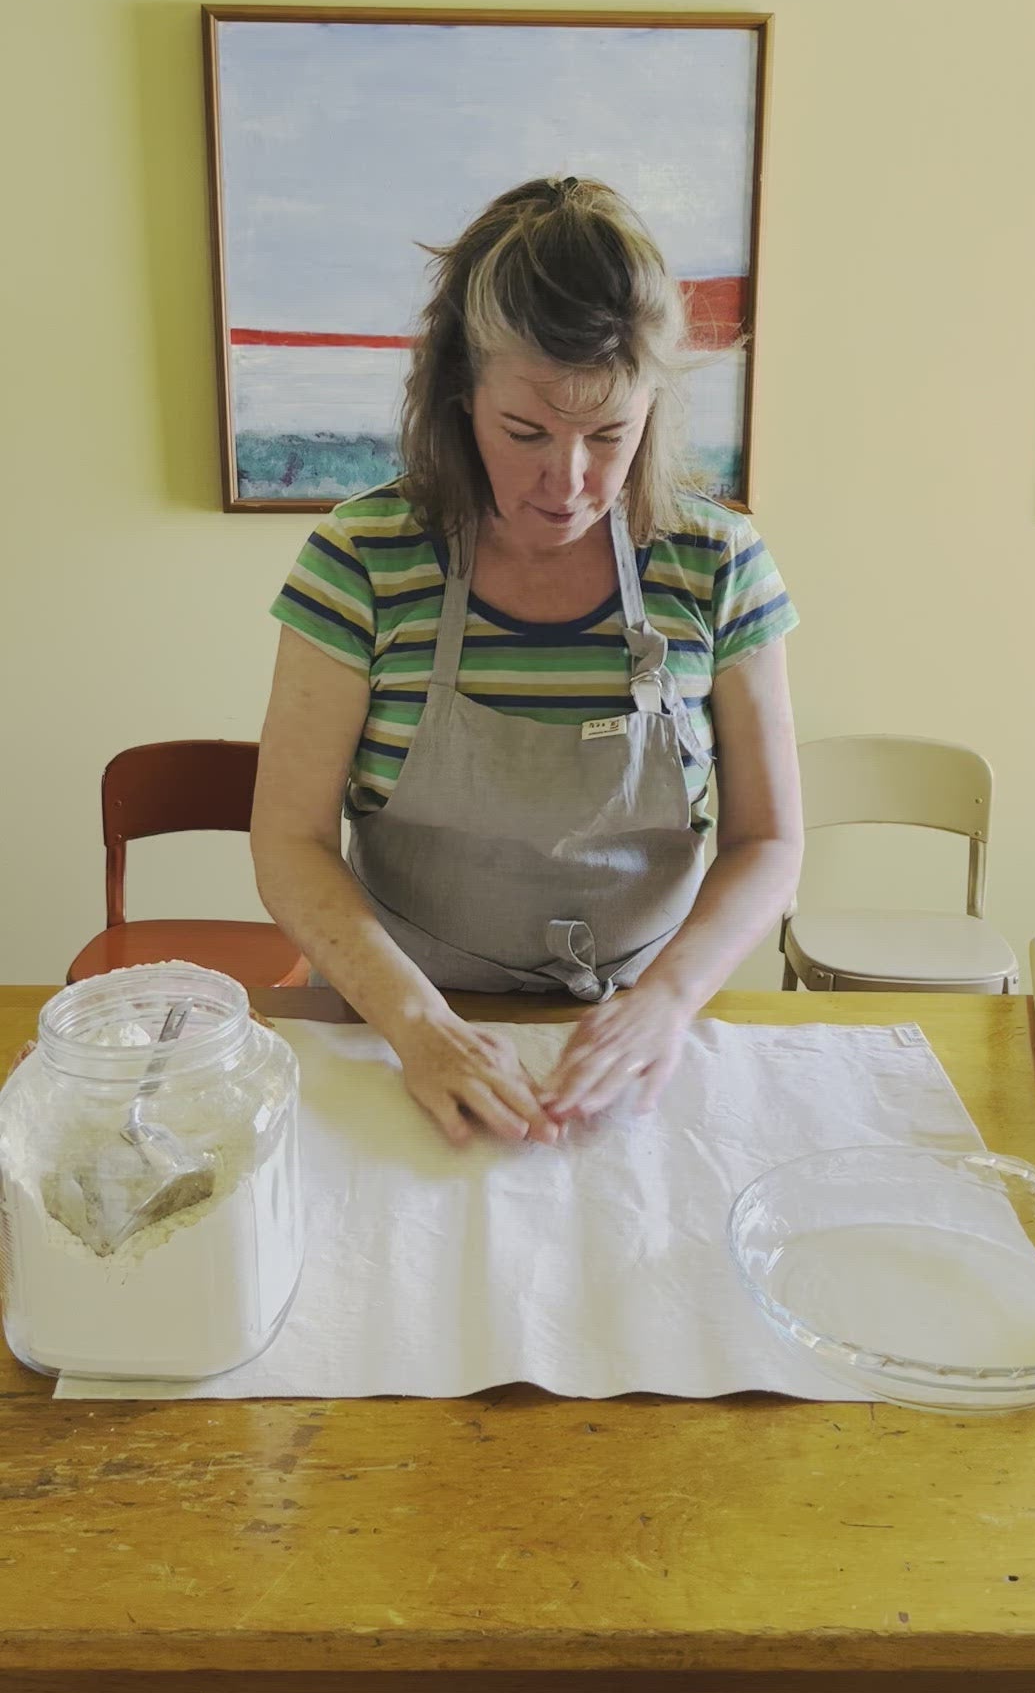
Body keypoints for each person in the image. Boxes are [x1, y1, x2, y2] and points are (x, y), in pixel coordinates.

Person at [252, 176, 803, 1149]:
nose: (570, 482)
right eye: (525, 433)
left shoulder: (718, 566)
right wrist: (421, 1026)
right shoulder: (361, 561)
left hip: (633, 1031)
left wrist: (667, 1001)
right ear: (462, 398)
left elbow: (769, 843)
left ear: (654, 408)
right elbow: (289, 841)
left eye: (609, 435)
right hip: (396, 1026)